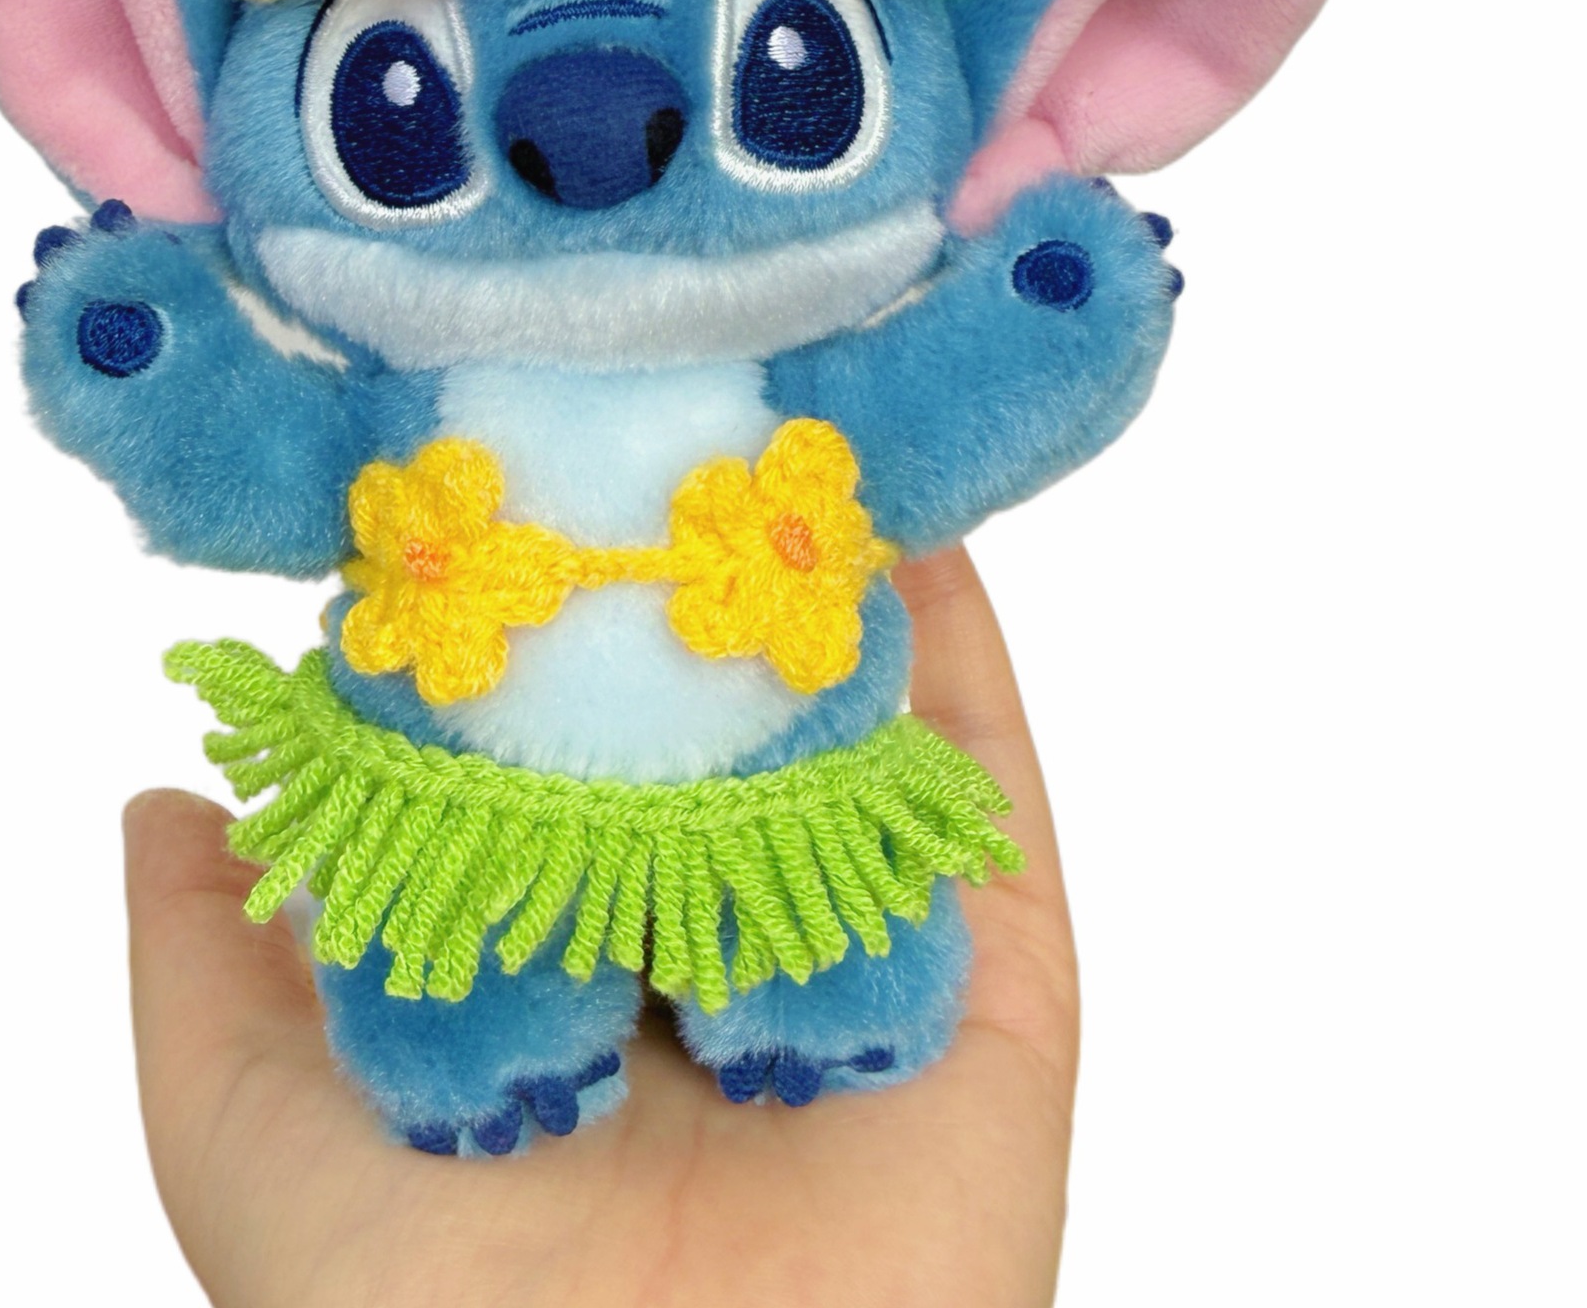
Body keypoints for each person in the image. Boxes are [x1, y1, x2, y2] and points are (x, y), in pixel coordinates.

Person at [125, 547, 1077, 1305]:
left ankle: (814, 996)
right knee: (469, 923)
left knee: (802, 895)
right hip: (480, 813)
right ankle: (492, 1036)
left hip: (775, 802)